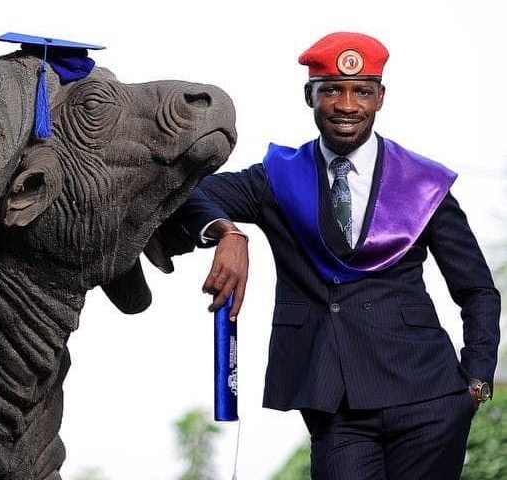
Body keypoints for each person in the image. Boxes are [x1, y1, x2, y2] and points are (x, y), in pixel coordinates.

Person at [173, 32, 501, 479]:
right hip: (338, 405)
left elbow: (477, 289)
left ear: (380, 98)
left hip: (429, 396)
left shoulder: (423, 184)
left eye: (361, 91)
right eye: (331, 90)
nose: (347, 104)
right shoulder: (278, 177)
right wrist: (228, 232)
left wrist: (476, 382)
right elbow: (187, 191)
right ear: (310, 96)